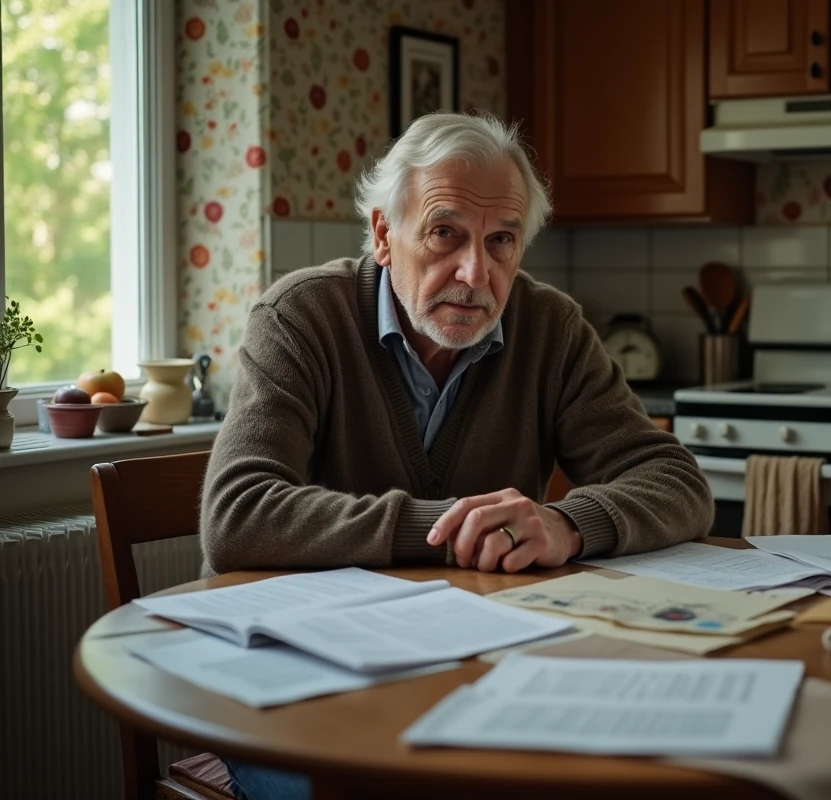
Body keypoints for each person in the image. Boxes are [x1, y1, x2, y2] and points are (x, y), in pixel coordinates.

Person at [200, 112, 713, 800]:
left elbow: (677, 483)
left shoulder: (550, 327)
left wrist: (565, 523)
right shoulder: (301, 317)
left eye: (501, 241)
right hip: (291, 686)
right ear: (385, 234)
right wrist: (451, 531)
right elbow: (238, 516)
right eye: (445, 234)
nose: (476, 273)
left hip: (474, 673)